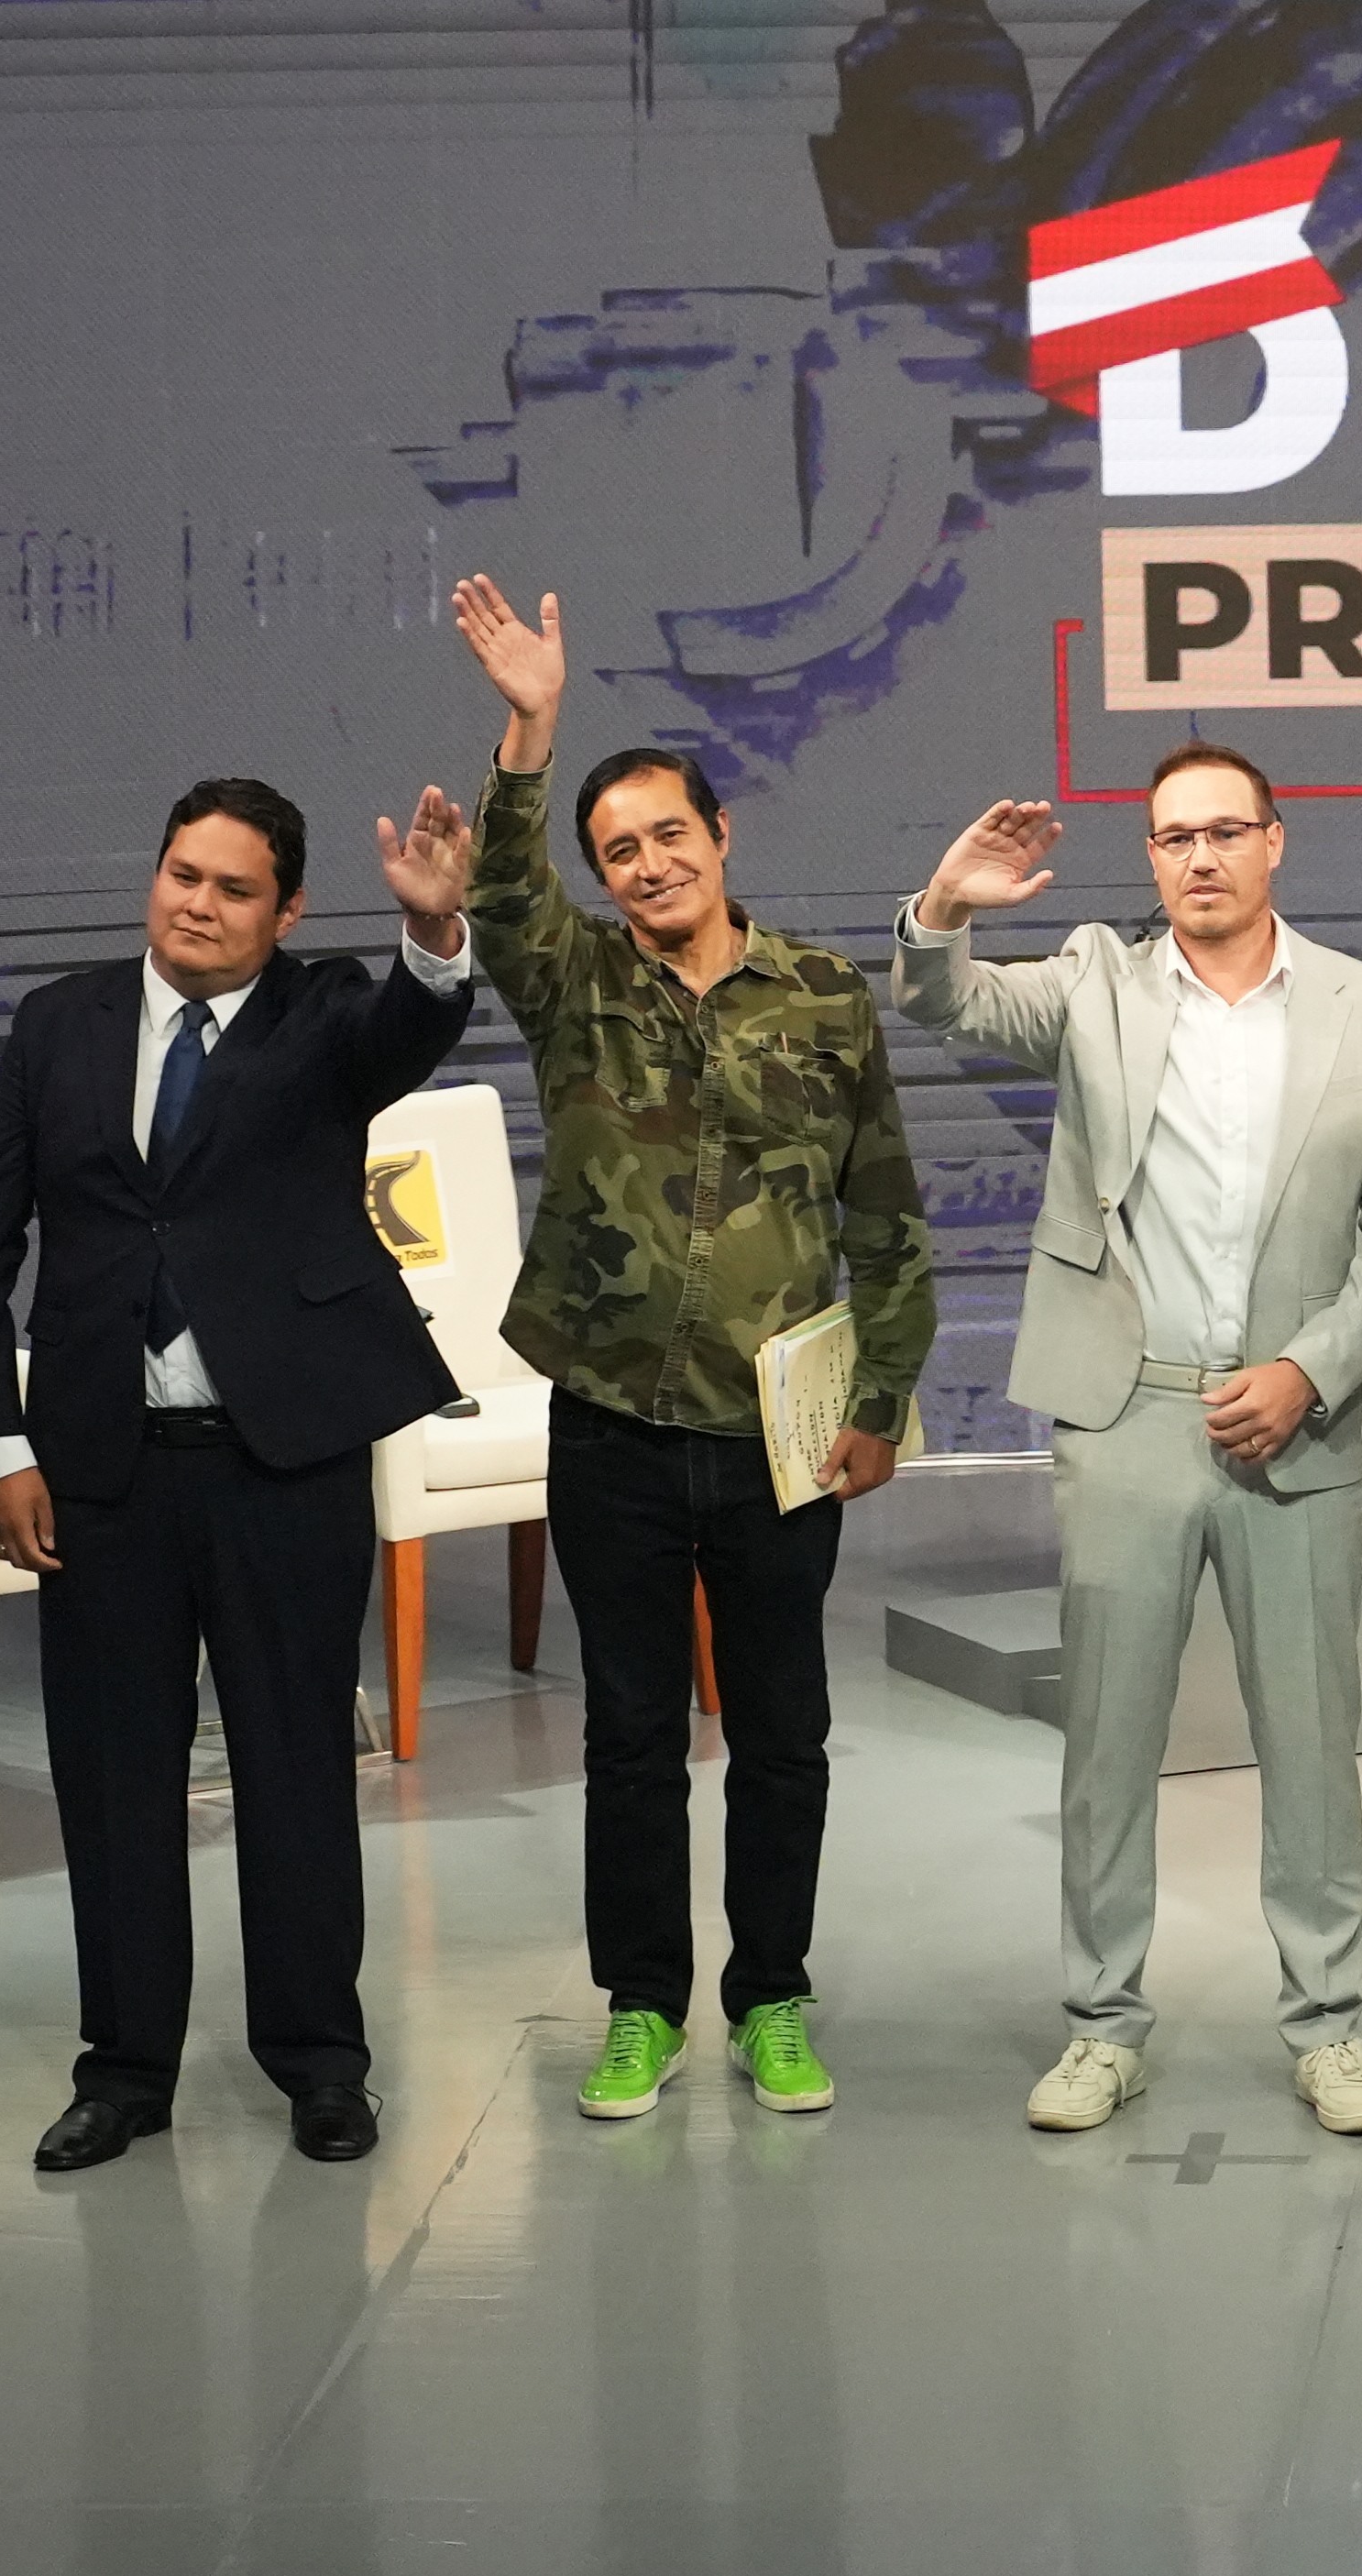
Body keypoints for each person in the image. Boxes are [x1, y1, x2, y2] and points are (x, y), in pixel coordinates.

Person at [898, 754, 1362, 2139]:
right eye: (1171, 838)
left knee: (1312, 1743)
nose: (1197, 857)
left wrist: (1308, 1369)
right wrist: (944, 908)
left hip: (1293, 1416)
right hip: (1128, 1410)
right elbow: (942, 997)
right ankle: (1101, 2026)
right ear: (1148, 860)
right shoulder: (1095, 979)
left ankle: (1328, 2028)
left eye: (1222, 832)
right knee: (1109, 1743)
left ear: (1276, 842)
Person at [0, 777, 478, 2174]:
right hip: (99, 1469)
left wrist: (434, 933)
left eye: (236, 890)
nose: (199, 904)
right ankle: (122, 2072)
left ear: (285, 912)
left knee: (296, 1766)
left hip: (280, 1460)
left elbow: (412, 1024)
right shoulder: (58, 1022)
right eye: (184, 873)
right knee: (112, 1780)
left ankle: (319, 2063)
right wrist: (0, 1443)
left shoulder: (326, 1013)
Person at [448, 579, 938, 2126]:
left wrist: (882, 1403)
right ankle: (642, 2003)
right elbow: (505, 896)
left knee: (785, 1731)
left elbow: (885, 1215)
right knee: (632, 1733)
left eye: (667, 836)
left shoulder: (826, 995)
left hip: (780, 1436)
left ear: (720, 837)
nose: (645, 865)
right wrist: (532, 725)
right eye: (618, 851)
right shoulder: (574, 983)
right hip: (610, 1425)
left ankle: (773, 1995)